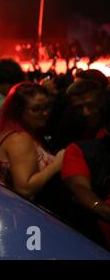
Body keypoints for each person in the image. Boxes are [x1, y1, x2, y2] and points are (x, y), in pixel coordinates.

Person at [0, 82, 64, 200]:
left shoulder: (11, 130)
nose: (45, 113)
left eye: (47, 107)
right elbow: (25, 188)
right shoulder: (19, 139)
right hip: (21, 212)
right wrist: (57, 164)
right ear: (18, 110)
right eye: (36, 109)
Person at [61, 90, 110, 248]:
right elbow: (79, 187)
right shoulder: (80, 145)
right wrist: (100, 207)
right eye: (79, 107)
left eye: (91, 106)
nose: (85, 113)